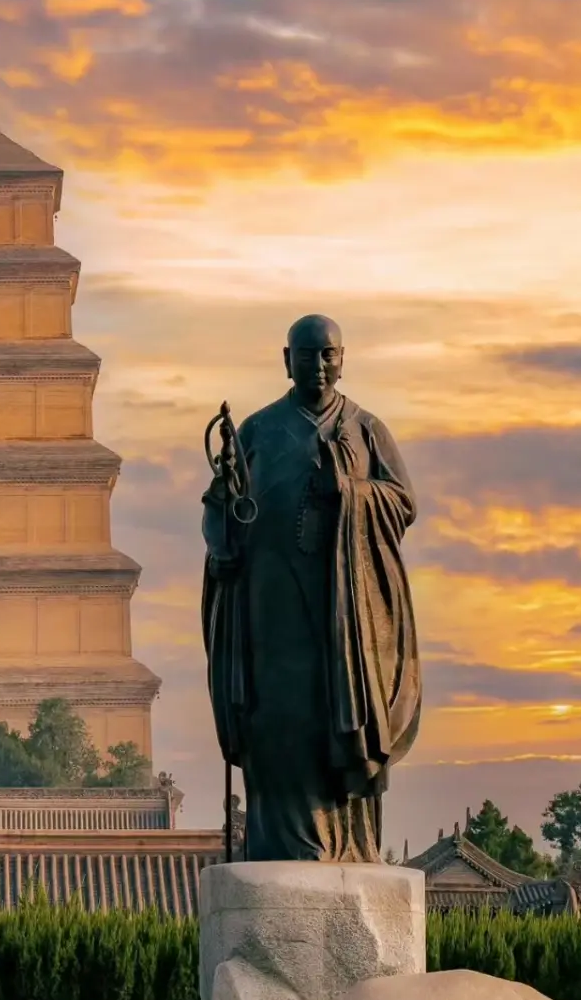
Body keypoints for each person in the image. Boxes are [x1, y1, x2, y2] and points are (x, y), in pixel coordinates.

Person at [201, 314, 421, 863]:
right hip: (272, 610)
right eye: (307, 355)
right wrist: (225, 528)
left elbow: (403, 502)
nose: (318, 366)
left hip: (346, 614)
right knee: (277, 722)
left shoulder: (367, 429)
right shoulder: (257, 430)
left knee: (340, 721)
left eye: (328, 355)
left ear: (343, 359)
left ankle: (349, 845)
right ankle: (281, 847)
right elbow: (221, 512)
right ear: (286, 359)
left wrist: (346, 491)